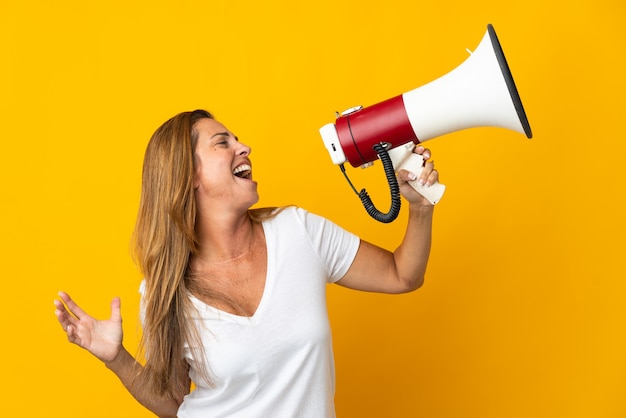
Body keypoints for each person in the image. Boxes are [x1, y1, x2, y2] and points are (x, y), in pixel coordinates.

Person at [54, 109, 439, 418]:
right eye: (223, 143)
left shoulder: (298, 232)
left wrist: (420, 208)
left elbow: (402, 274)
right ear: (187, 175)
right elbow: (173, 404)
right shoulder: (164, 292)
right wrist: (118, 360)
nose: (245, 148)